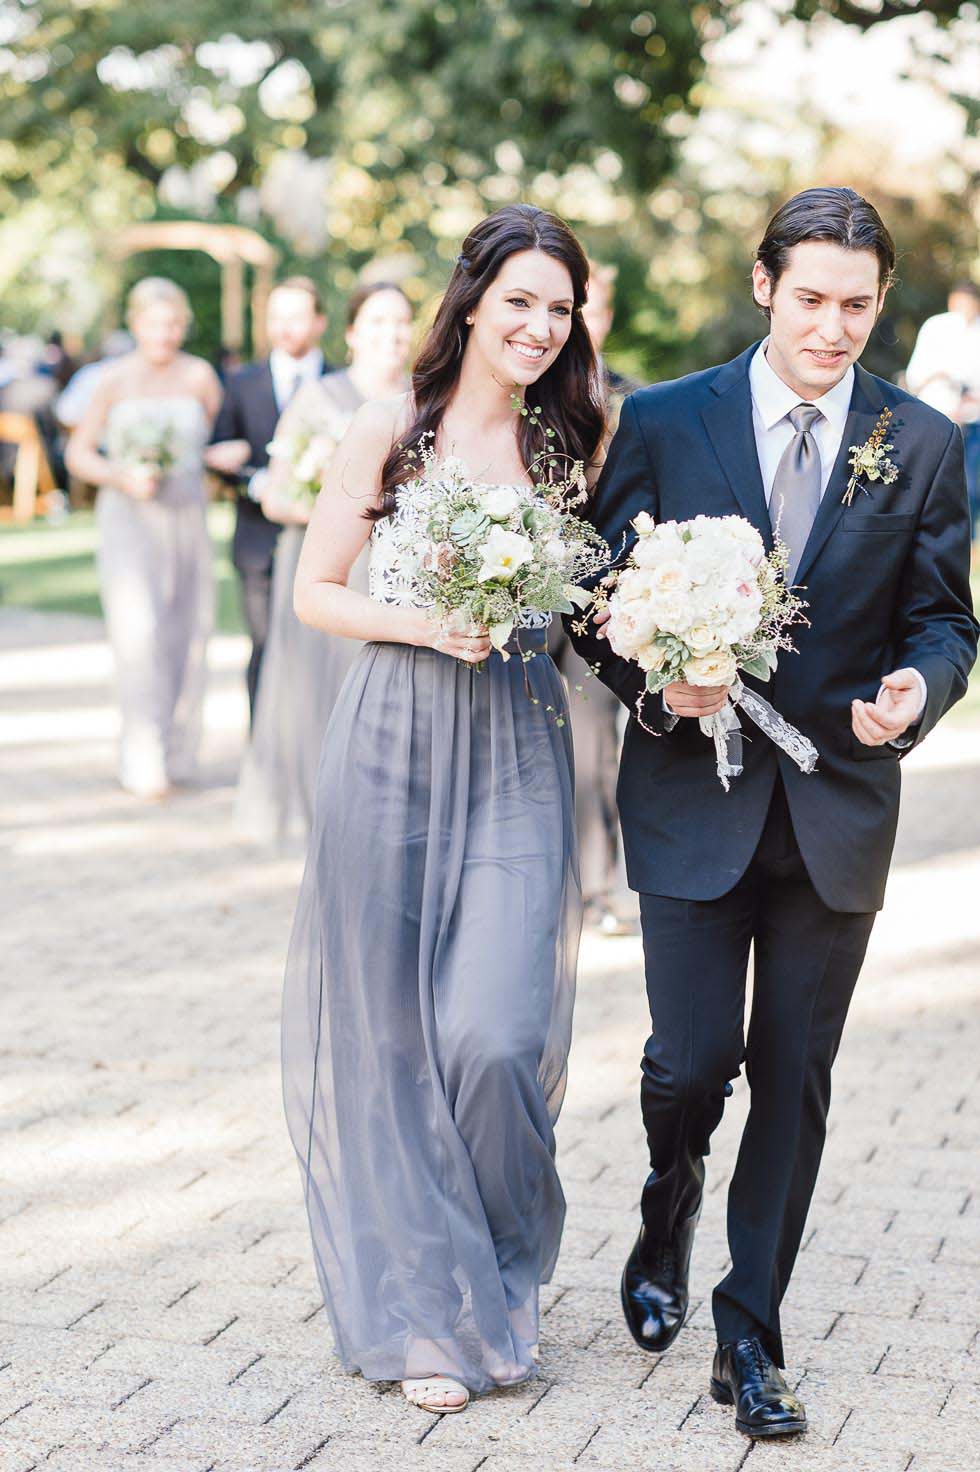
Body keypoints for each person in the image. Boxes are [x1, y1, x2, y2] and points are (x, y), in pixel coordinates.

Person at [573, 187, 978, 1438]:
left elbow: (944, 615)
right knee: (690, 1062)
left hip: (835, 807)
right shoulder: (662, 416)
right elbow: (594, 594)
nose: (833, 326)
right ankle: (665, 1192)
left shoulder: (917, 440)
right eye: (810, 298)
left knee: (794, 1077)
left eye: (856, 304)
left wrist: (917, 688)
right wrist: (653, 672)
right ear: (762, 285)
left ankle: (750, 1331)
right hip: (691, 796)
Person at [282, 204, 605, 1414]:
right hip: (393, 742)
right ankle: (428, 1311)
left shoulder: (569, 442)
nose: (536, 325)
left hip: (519, 747)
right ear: (471, 302)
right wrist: (428, 620)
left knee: (491, 1036)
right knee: (394, 1045)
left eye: (558, 308)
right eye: (518, 299)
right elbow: (317, 592)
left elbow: (586, 610)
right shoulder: (389, 426)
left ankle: (506, 1269)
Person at [235, 282, 413, 843]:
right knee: (318, 690)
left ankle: (373, 812)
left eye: (402, 321)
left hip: (394, 571)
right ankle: (320, 814)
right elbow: (275, 496)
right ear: (353, 332)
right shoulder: (320, 397)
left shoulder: (424, 398)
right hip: (326, 564)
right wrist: (338, 512)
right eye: (379, 321)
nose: (392, 333)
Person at [66, 277, 222, 798]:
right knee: (138, 632)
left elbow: (216, 446)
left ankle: (178, 748)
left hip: (185, 515)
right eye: (156, 323)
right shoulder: (112, 380)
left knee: (185, 630)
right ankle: (141, 752)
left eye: (175, 323)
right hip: (129, 517)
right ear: (135, 324)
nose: (166, 333)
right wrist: (121, 476)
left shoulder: (200, 376)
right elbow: (79, 454)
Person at [549, 260, 638, 934]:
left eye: (594, 309)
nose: (583, 322)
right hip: (513, 600)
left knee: (593, 745)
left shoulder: (635, 401)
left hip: (595, 600)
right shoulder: (515, 391)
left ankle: (599, 886)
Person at [205, 277, 330, 719]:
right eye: (275, 317)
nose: (283, 327)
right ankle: (262, 747)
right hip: (258, 542)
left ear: (319, 322)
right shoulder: (241, 383)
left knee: (325, 655)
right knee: (264, 646)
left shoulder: (338, 384)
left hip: (328, 545)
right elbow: (221, 455)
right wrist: (255, 483)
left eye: (295, 316)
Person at [906, 280, 980, 543]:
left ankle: (966, 544)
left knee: (970, 488)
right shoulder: (936, 327)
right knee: (927, 484)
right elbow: (917, 375)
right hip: (936, 418)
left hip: (972, 422)